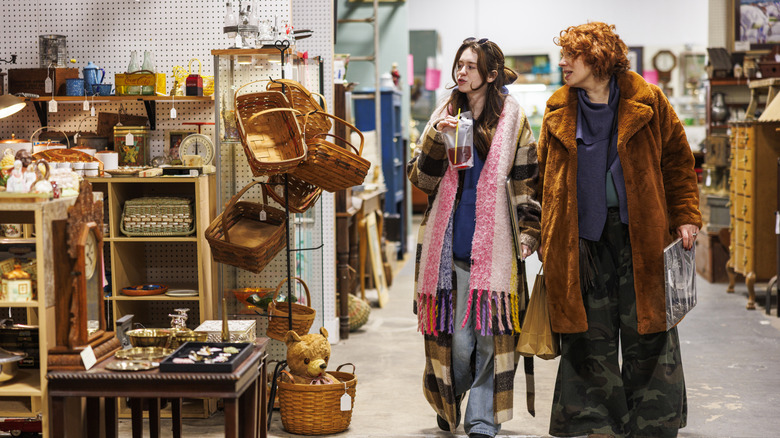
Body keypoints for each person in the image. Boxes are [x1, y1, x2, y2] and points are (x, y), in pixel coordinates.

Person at [537, 22, 702, 438]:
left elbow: (679, 162)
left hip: (641, 236)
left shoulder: (648, 101)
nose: (562, 63)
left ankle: (653, 420)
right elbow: (544, 178)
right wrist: (544, 233)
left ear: (598, 59)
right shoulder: (558, 109)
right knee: (588, 332)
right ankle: (592, 422)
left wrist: (685, 215)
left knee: (649, 326)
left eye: (570, 56)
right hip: (582, 242)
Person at [407, 37, 541, 438]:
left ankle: (482, 419)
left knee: (492, 342)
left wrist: (530, 232)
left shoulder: (514, 120)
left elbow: (528, 182)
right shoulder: (444, 114)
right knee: (459, 344)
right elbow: (421, 179)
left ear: (491, 74)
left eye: (470, 66)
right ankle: (449, 394)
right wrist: (436, 139)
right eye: (458, 65)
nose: (460, 72)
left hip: (498, 251)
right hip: (450, 248)